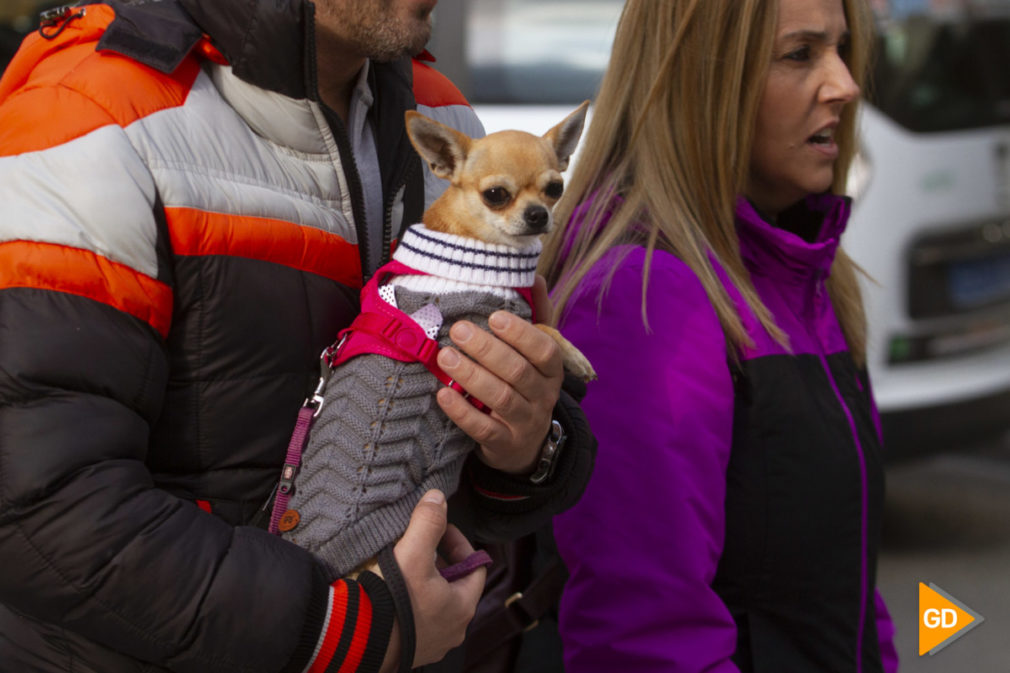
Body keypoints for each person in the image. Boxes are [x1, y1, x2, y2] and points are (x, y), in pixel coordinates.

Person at [0, 1, 595, 672]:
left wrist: (526, 449)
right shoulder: (90, 114)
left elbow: (453, 444)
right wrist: (347, 629)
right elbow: (37, 502)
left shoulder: (448, 120)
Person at [539, 0, 901, 671]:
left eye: (842, 49)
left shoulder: (806, 272)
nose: (846, 84)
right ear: (701, 81)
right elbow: (645, 637)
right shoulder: (643, 298)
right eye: (801, 54)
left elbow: (846, 586)